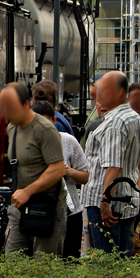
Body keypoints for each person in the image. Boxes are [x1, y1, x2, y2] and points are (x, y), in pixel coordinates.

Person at [82, 71, 140, 257]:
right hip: (126, 199)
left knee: (106, 263)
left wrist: (104, 201)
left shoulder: (115, 122)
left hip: (108, 204)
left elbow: (113, 166)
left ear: (118, 92)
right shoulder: (133, 116)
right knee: (122, 257)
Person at [0, 82, 66, 256]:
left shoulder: (45, 129)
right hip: (20, 209)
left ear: (26, 104)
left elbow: (58, 169)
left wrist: (28, 191)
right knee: (12, 264)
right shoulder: (12, 128)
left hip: (46, 208)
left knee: (43, 270)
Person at [30, 100, 89, 258]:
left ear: (54, 121)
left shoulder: (68, 141)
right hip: (40, 212)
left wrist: (68, 171)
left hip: (70, 212)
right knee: (43, 260)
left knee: (70, 260)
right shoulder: (26, 144)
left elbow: (85, 176)